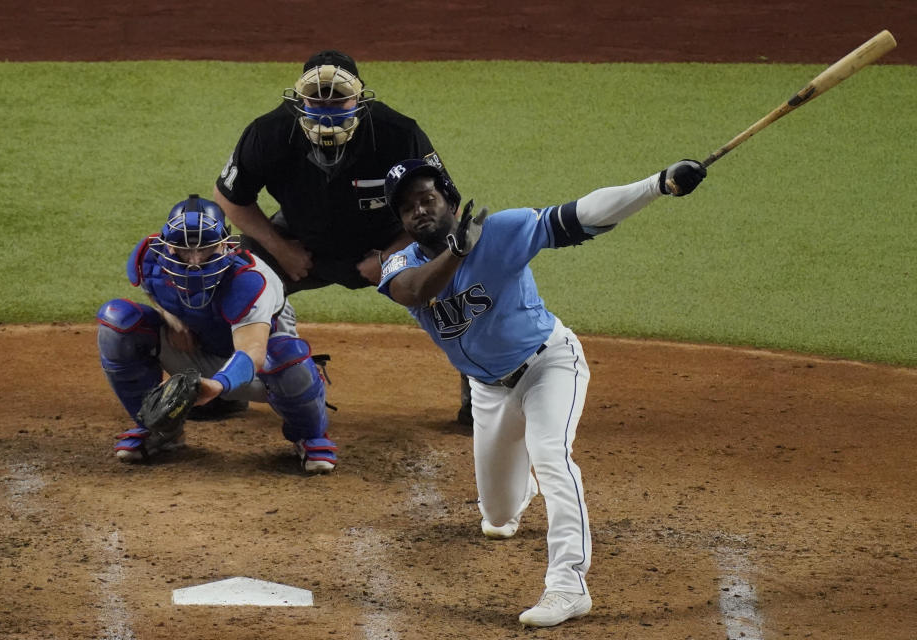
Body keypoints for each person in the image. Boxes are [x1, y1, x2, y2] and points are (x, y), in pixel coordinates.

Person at [377, 157, 707, 627]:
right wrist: (456, 250)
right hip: (487, 391)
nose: (418, 211)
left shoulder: (502, 232)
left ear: (450, 199)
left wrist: (659, 185)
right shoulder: (400, 265)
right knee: (497, 516)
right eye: (407, 208)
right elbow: (414, 292)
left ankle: (568, 586)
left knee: (551, 454)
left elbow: (581, 215)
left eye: (427, 198)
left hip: (548, 365)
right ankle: (518, 490)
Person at [213, 49, 474, 427]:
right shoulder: (268, 132)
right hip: (301, 240)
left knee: (455, 264)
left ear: (359, 98)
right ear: (299, 99)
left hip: (387, 240)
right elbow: (229, 198)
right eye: (316, 98)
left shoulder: (396, 133)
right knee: (231, 276)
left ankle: (478, 396)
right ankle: (228, 390)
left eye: (339, 98)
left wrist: (391, 254)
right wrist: (281, 249)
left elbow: (444, 204)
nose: (327, 107)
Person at [95, 194, 337, 472]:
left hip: (261, 372)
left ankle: (310, 434)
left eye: (205, 248)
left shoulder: (250, 279)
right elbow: (154, 293)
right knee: (118, 322)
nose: (195, 260)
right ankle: (159, 429)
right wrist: (171, 320)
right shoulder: (150, 259)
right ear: (167, 246)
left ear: (225, 245)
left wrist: (218, 386)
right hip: (197, 352)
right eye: (184, 249)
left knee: (289, 358)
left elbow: (253, 353)